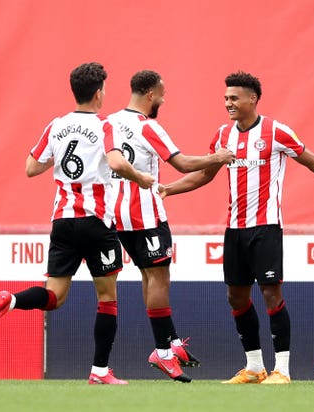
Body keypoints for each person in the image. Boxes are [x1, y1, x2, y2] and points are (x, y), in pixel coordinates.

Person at [162, 71, 314, 384]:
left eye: (234, 98)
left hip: (266, 228)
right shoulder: (223, 136)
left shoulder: (276, 131)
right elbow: (204, 175)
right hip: (234, 230)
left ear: (253, 98)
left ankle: (283, 370)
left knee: (270, 293)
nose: (228, 104)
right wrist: (169, 188)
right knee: (236, 297)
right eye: (225, 98)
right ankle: (253, 367)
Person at [0, 62, 155, 385]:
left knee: (54, 297)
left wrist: (62, 160)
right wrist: (140, 176)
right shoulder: (104, 125)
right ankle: (100, 371)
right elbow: (116, 161)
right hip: (95, 221)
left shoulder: (56, 125)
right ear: (99, 93)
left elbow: (32, 167)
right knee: (107, 298)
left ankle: (11, 299)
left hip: (63, 221)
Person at [107, 70, 235, 382]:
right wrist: (218, 157)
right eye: (162, 95)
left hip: (118, 215)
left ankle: (171, 343)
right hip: (147, 214)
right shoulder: (149, 127)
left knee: (149, 277)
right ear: (150, 94)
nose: (163, 100)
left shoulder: (108, 122)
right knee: (160, 278)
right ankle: (163, 351)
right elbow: (182, 164)